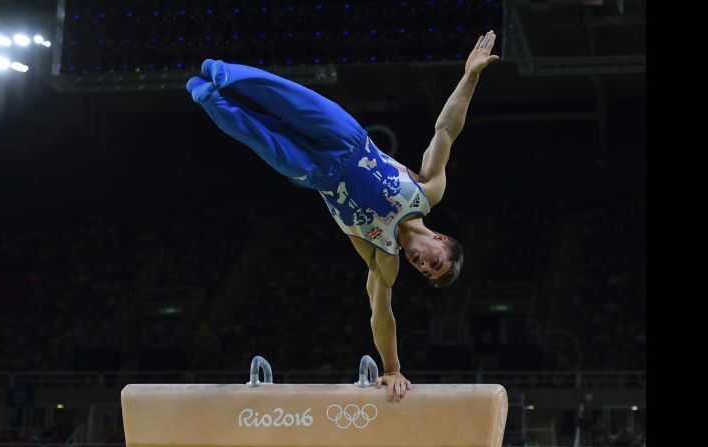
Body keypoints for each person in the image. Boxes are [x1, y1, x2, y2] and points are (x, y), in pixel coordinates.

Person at [187, 31, 500, 401]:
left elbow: (381, 315)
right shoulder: (427, 192)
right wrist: (471, 76)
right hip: (349, 139)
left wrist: (393, 369)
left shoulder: (385, 257)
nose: (423, 265)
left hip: (317, 175)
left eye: (426, 272)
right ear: (441, 240)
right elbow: (446, 130)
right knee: (288, 98)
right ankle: (223, 73)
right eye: (435, 262)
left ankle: (206, 95)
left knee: (259, 136)